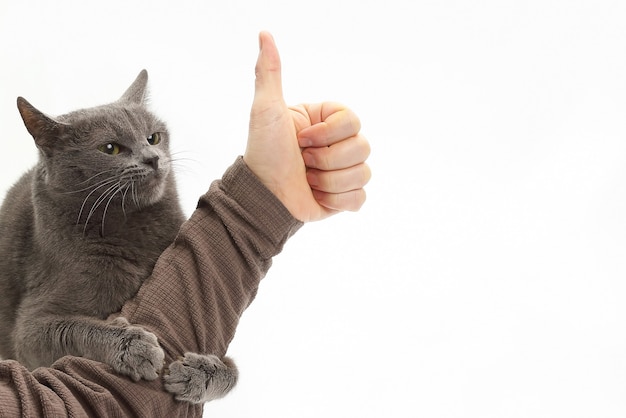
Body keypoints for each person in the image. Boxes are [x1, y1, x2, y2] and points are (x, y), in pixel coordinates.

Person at [0, 31, 371, 417]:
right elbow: (34, 342)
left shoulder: (155, 203)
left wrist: (266, 191)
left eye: (154, 137)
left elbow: (172, 328)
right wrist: (109, 340)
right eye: (112, 149)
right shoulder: (65, 239)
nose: (151, 156)